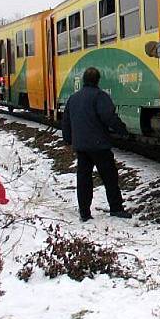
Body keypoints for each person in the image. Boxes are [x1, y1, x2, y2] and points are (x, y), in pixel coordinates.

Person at [61, 67, 132, 221]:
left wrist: (68, 140)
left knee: (84, 179)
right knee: (110, 178)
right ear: (98, 80)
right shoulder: (100, 96)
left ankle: (84, 213)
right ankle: (116, 208)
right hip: (99, 146)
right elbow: (109, 117)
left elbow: (66, 121)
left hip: (81, 147)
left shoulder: (73, 98)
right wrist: (123, 131)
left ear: (84, 80)